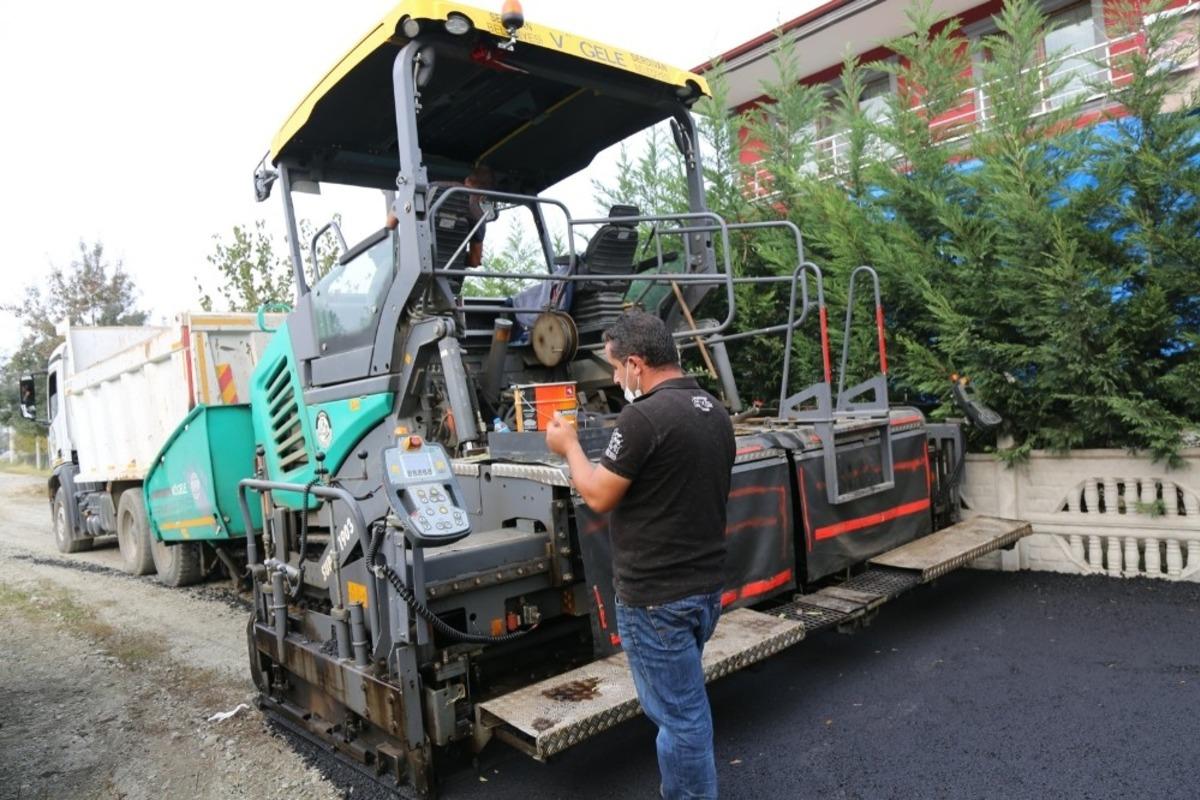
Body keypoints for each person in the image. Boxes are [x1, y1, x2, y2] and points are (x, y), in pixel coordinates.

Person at [545, 311, 736, 800]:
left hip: (656, 601)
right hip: (704, 591)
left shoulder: (644, 417)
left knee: (682, 719)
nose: (613, 378)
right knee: (682, 710)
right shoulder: (712, 409)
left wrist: (568, 446)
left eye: (614, 368)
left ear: (636, 364)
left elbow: (598, 494)